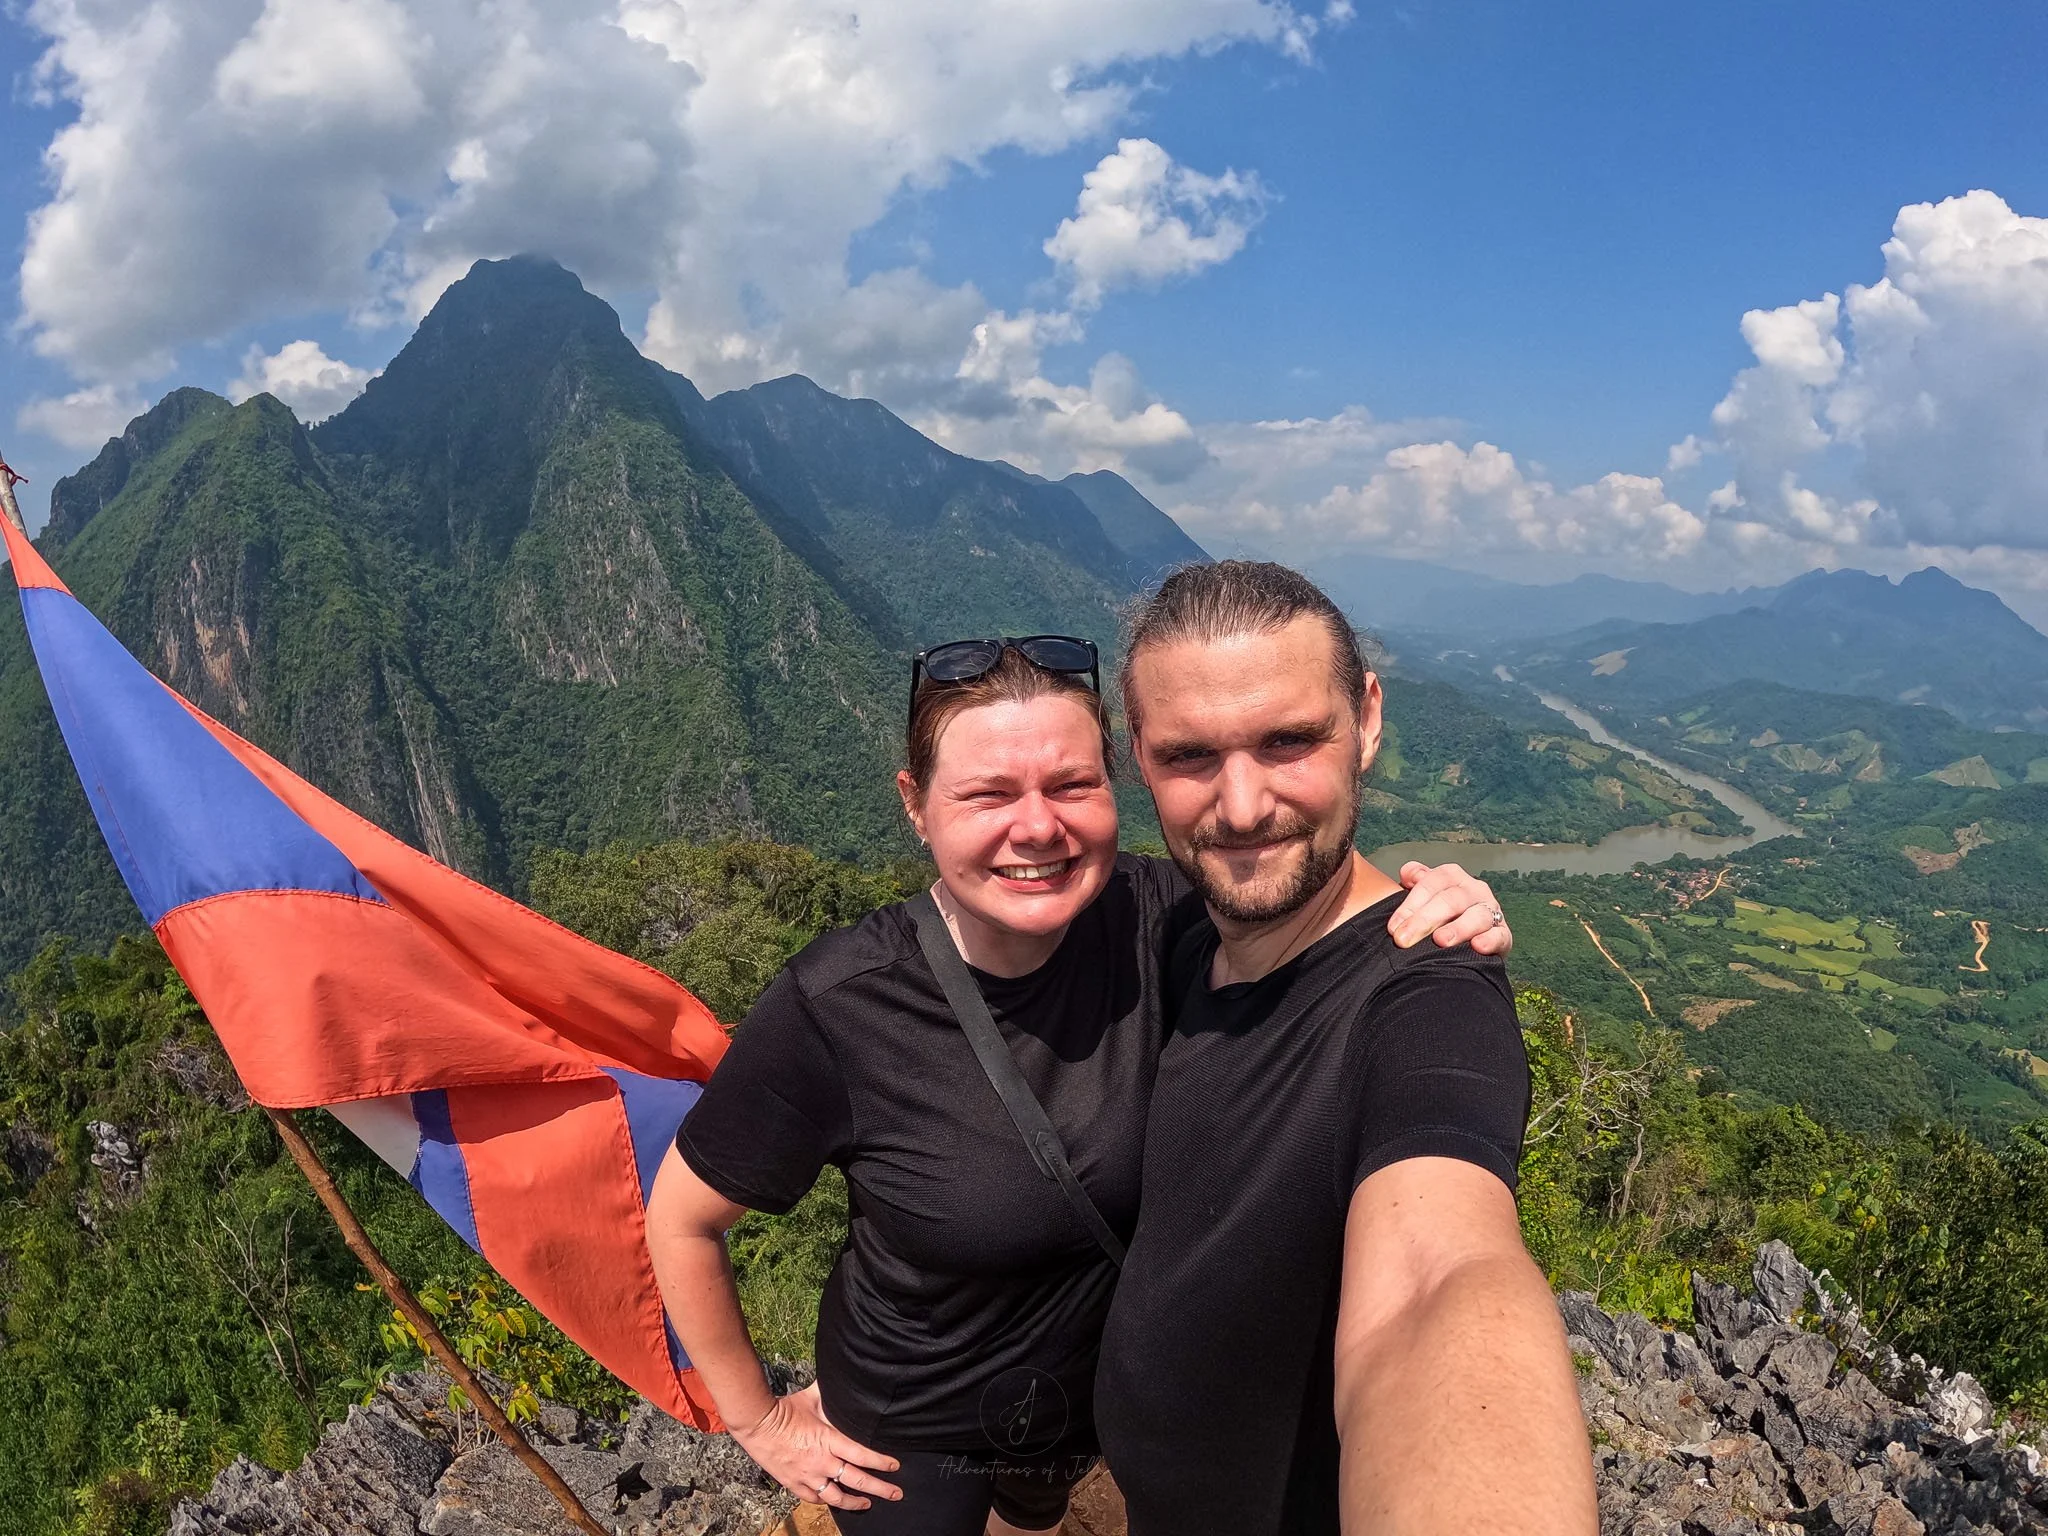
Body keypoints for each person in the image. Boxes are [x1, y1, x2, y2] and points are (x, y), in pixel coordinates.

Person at [644, 630, 1514, 1536]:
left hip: (1081, 1401)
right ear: (916, 805)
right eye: (987, 794)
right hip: (915, 1423)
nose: (1037, 828)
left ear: (1113, 784)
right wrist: (758, 1419)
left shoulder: (1164, 917)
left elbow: (1310, 903)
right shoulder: (842, 1005)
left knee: (1036, 1519)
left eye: (1071, 785)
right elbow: (683, 1218)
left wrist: (1437, 907)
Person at [1094, 561, 1598, 1536]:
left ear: (1365, 719)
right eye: (1189, 756)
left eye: (1287, 742)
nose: (1240, 808)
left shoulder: (1425, 994)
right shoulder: (1178, 924)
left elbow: (1435, 1279)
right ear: (1137, 757)